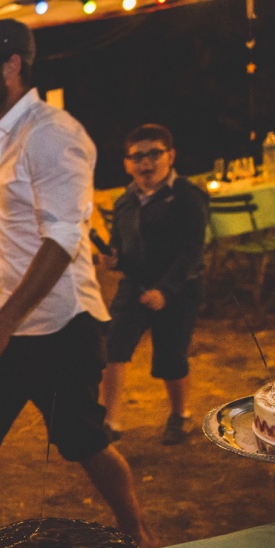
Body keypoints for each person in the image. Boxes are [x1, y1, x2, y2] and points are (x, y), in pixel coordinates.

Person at [0, 20, 152, 548]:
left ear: (11, 67)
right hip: (12, 318)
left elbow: (62, 241)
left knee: (84, 442)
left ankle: (137, 533)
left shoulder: (52, 133)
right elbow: (20, 242)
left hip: (62, 322)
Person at [100, 124, 208, 446]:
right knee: (113, 346)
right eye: (137, 156)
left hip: (179, 287)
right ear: (126, 163)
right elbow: (119, 246)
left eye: (154, 154)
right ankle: (111, 421)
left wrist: (166, 290)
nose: (145, 163)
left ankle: (180, 415)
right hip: (136, 285)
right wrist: (113, 259)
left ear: (170, 156)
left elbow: (191, 253)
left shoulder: (188, 196)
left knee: (170, 358)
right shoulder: (124, 201)